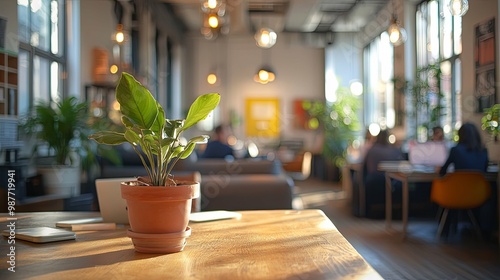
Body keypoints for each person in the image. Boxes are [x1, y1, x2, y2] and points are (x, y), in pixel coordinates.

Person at [362, 129, 404, 218]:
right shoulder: (394, 150)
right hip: (394, 181)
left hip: (374, 180)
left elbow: (364, 166)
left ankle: (367, 211)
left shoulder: (372, 150)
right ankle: (398, 212)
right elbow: (401, 163)